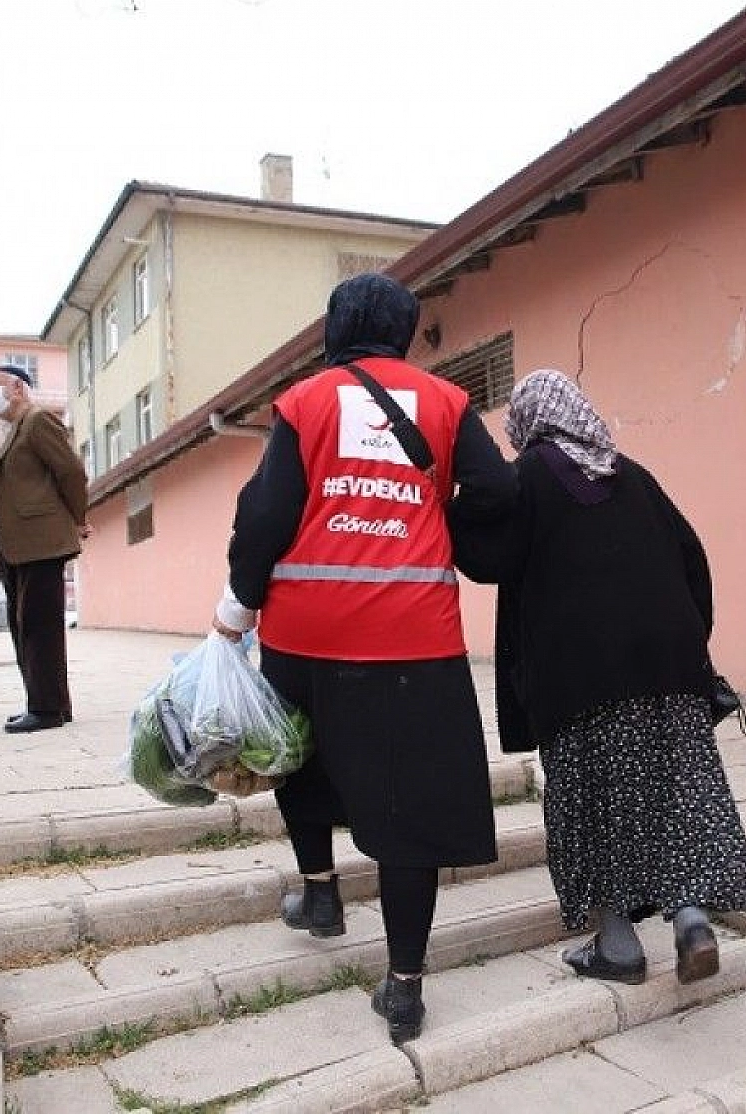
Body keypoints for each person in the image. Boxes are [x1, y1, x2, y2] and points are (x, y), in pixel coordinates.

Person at [212, 272, 516, 1044]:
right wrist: (443, 524)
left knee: (297, 762)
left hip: (303, 635)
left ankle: (320, 895)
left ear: (336, 327)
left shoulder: (307, 403)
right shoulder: (446, 403)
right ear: (407, 328)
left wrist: (237, 608)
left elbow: (268, 512)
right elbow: (497, 493)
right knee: (408, 808)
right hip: (414, 639)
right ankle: (404, 986)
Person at [457, 368, 746, 986]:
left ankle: (618, 945)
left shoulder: (531, 476)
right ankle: (691, 919)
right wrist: (685, 643)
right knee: (676, 794)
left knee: (593, 802)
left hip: (580, 677)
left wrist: (450, 503)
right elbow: (693, 560)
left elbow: (488, 560)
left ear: (529, 421)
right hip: (669, 669)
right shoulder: (634, 474)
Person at [0, 363, 91, 733]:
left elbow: (71, 471)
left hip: (40, 542)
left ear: (17, 386)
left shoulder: (38, 420)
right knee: (24, 625)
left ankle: (46, 710)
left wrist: (78, 517)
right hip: (17, 545)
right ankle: (50, 704)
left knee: (38, 627)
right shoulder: (17, 429)